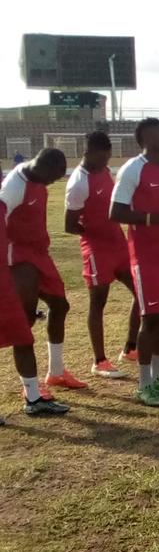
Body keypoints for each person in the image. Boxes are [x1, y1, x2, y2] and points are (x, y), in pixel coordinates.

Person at [110, 119, 159, 406]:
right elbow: (115, 212)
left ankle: (157, 377)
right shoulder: (133, 169)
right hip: (147, 258)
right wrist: (152, 219)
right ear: (149, 137)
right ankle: (143, 385)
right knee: (151, 317)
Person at [1, 148, 88, 393]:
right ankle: (30, 387)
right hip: (18, 257)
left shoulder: (39, 179)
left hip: (40, 254)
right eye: (53, 177)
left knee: (60, 305)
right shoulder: (14, 187)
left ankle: (56, 372)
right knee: (24, 321)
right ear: (43, 167)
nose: (53, 182)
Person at [63, 131, 140, 378]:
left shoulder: (105, 172)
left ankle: (130, 347)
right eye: (102, 157)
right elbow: (69, 224)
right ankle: (99, 361)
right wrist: (96, 231)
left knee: (141, 292)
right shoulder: (78, 182)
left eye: (108, 157)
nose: (106, 162)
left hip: (119, 245)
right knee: (99, 302)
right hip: (97, 250)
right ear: (88, 153)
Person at [0, 166, 69, 419]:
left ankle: (34, 397)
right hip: (13, 267)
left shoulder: (4, 204)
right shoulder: (11, 194)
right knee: (20, 331)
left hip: (17, 269)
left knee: (23, 334)